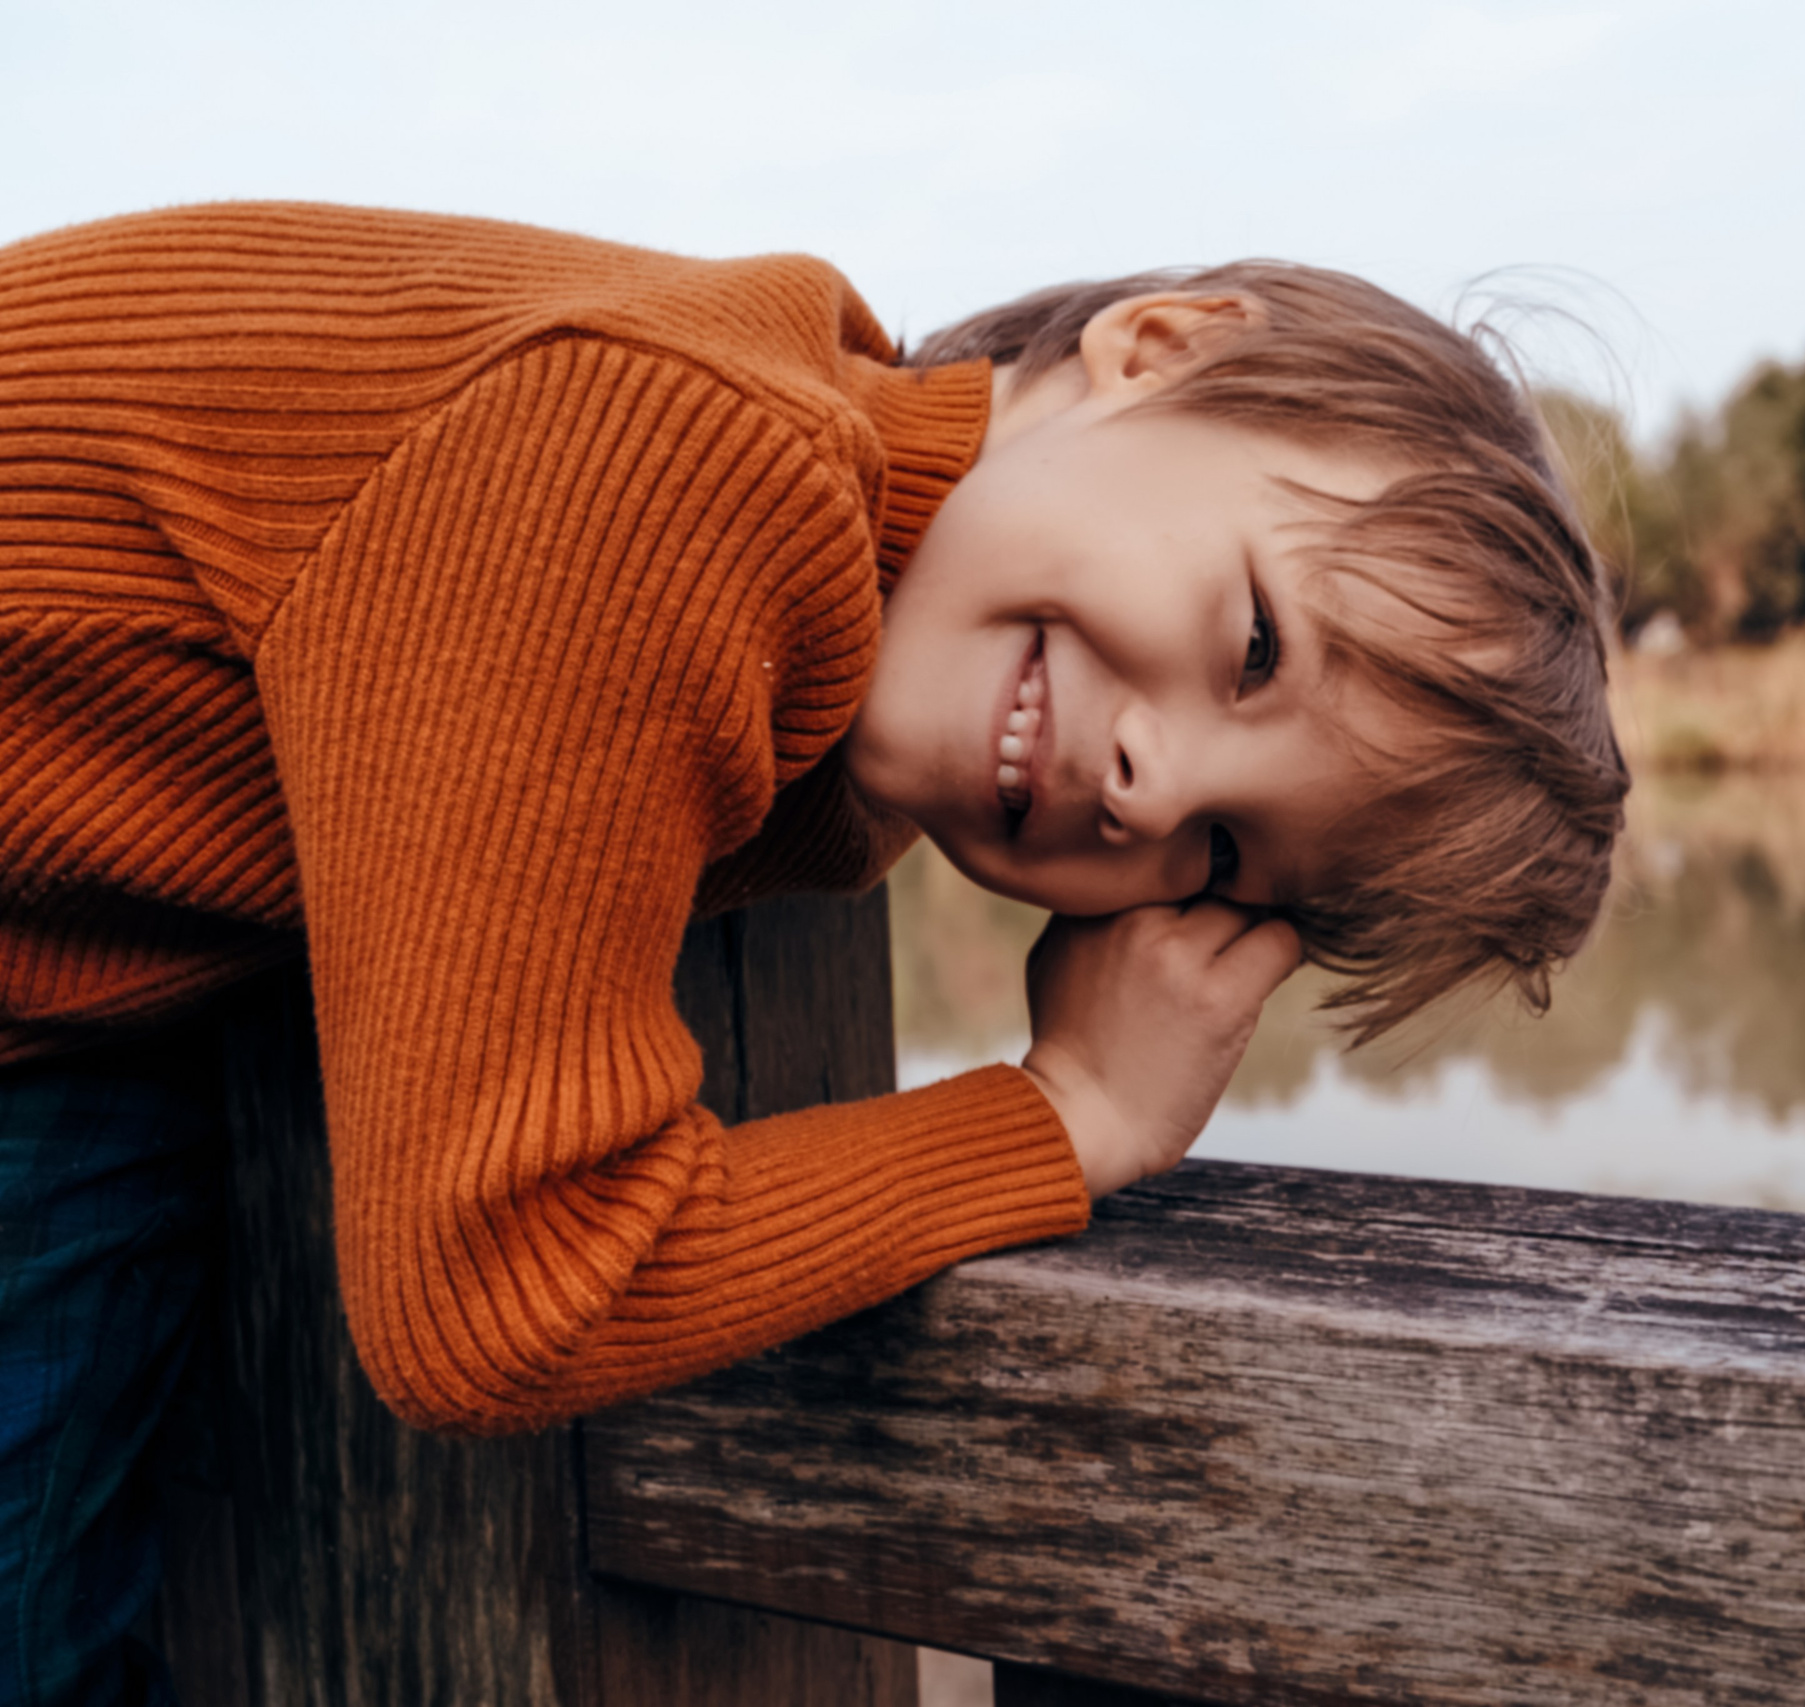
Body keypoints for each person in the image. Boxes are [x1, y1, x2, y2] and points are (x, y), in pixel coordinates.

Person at [0, 201, 1626, 1703]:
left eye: (1228, 858)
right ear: (1158, 350)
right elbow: (499, 1288)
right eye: (1257, 642)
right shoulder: (675, 469)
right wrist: (1060, 1118)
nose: (1153, 788)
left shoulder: (840, 660)